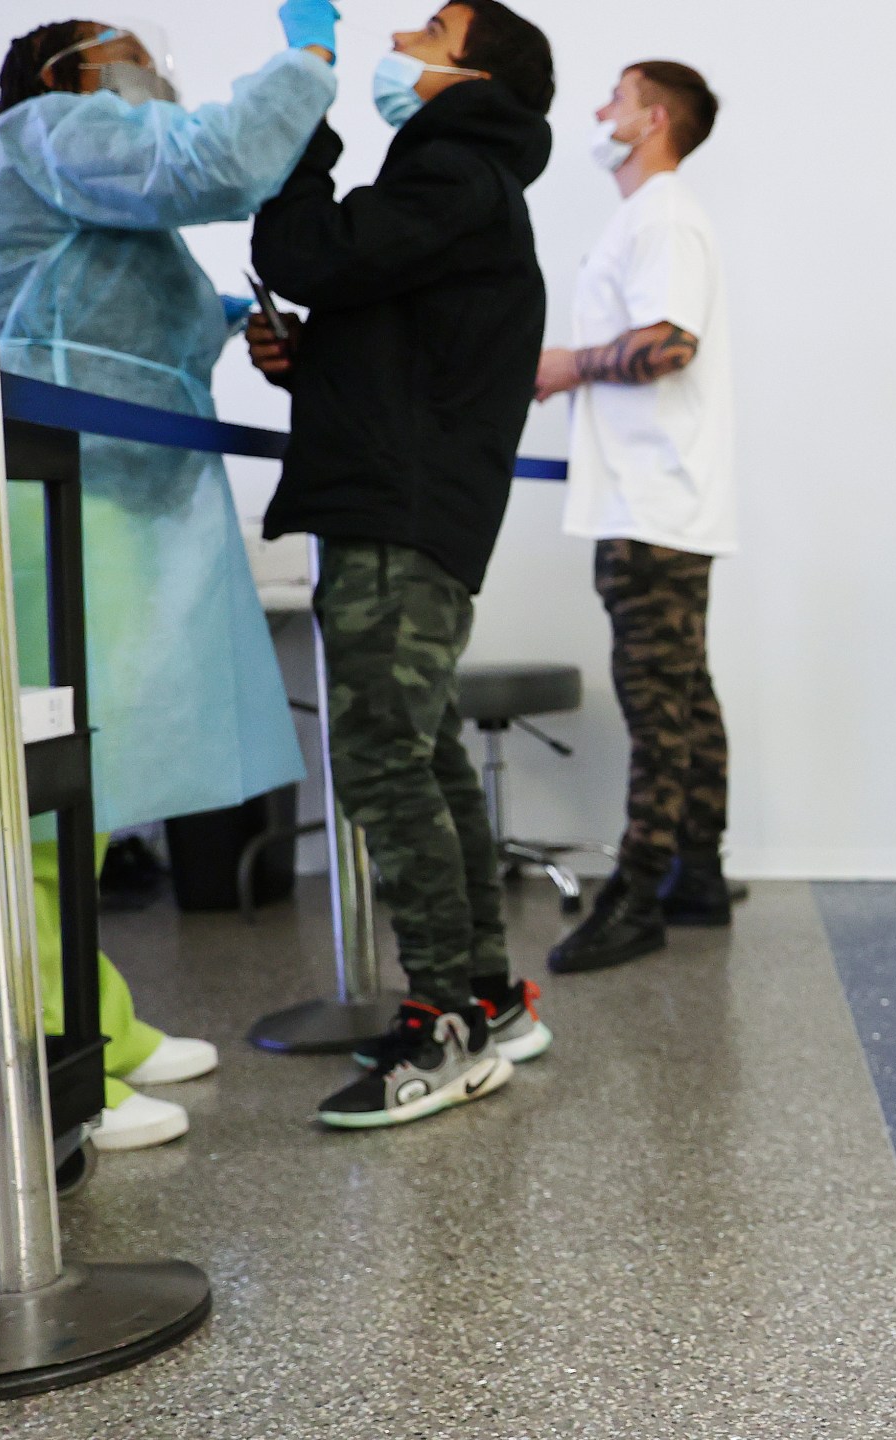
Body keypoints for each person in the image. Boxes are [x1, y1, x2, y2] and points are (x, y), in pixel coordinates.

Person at [0, 7, 346, 1151]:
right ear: (68, 72)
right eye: (134, 56)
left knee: (77, 786)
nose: (156, 72)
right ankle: (44, 1060)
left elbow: (147, 321)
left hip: (101, 494)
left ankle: (94, 1021)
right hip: (36, 491)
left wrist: (246, 322)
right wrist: (307, 59)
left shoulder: (62, 176)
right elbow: (218, 159)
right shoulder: (47, 130)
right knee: (25, 789)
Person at [247, 1, 555, 1131]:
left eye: (429, 31)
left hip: (398, 522)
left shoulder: (454, 175)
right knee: (420, 755)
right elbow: (407, 358)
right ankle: (487, 998)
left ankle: (445, 1028)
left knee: (381, 762)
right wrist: (311, 364)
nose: (402, 39)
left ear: (473, 76)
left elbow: (304, 250)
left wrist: (303, 101)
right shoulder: (466, 189)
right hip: (411, 510)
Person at [533, 61, 739, 974]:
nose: (597, 112)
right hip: (658, 497)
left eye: (614, 98)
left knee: (657, 706)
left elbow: (670, 344)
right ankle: (694, 874)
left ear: (654, 119)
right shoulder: (650, 216)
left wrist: (567, 366)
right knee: (685, 694)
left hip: (652, 504)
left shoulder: (661, 217)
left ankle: (637, 895)